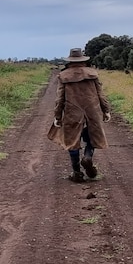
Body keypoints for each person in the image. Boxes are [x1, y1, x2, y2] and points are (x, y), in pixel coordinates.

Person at [50, 47, 111, 182]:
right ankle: (88, 157)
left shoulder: (63, 76)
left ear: (70, 60)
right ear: (83, 59)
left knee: (72, 142)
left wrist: (57, 116)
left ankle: (77, 173)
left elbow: (59, 99)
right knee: (91, 139)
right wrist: (106, 110)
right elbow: (101, 94)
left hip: (72, 113)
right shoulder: (93, 74)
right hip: (92, 113)